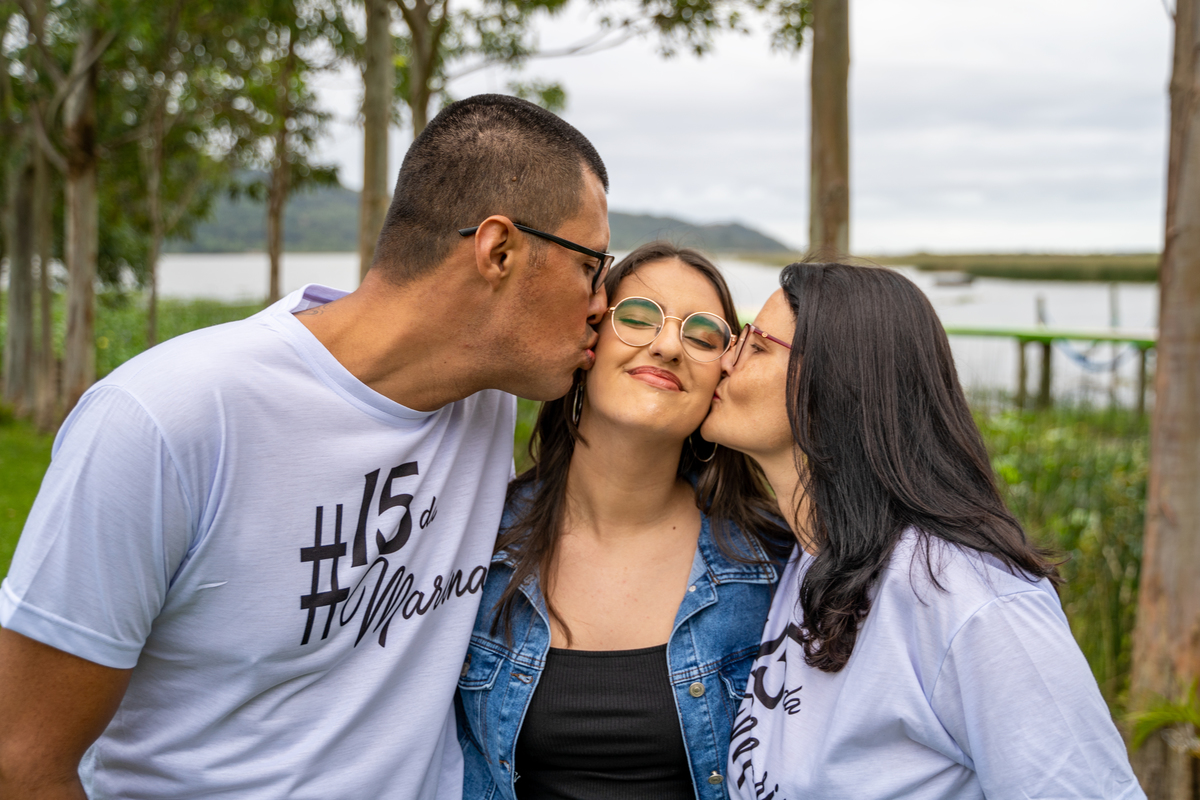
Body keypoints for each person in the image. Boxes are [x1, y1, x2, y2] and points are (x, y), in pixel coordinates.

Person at [0, 94, 613, 800]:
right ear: (497, 250)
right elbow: (24, 759)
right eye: (592, 264)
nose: (601, 299)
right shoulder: (167, 421)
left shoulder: (485, 403)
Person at [701, 262, 1146, 800]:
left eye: (755, 344)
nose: (725, 360)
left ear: (834, 380)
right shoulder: (809, 556)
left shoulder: (968, 597)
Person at [456, 243, 791, 800]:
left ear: (723, 376)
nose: (666, 346)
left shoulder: (776, 563)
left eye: (703, 335)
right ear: (588, 341)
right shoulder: (473, 540)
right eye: (637, 319)